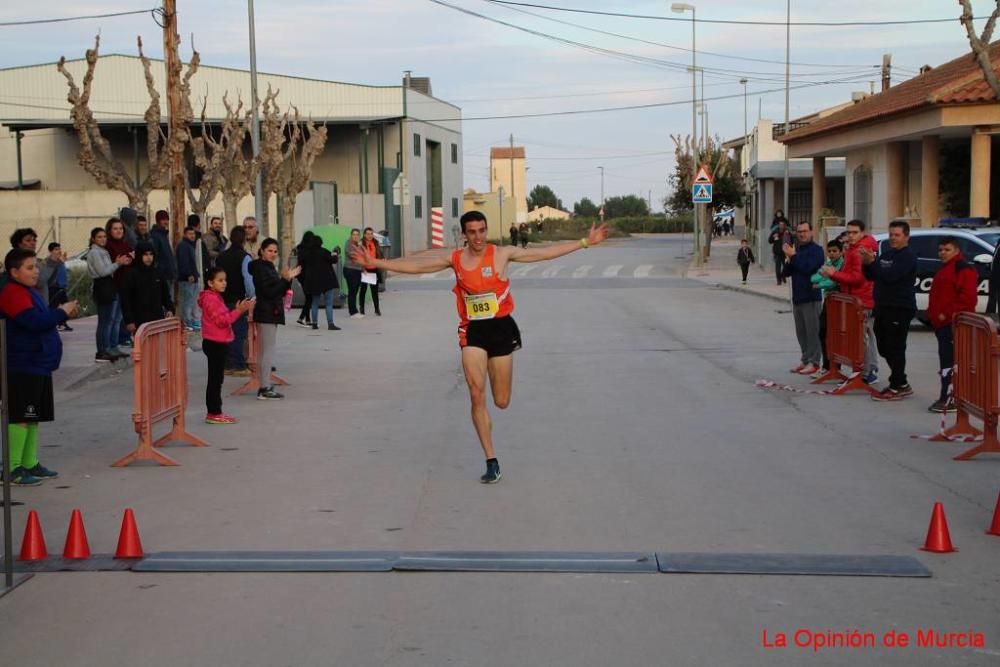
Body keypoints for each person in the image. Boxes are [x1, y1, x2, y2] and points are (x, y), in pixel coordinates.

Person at [352, 210, 609, 484]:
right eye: (472, 231)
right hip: (472, 330)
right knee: (476, 395)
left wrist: (584, 242)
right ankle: (491, 460)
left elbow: (544, 254)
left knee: (501, 401)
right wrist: (376, 261)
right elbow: (418, 267)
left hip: (500, 329)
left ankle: (488, 419)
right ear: (464, 234)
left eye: (482, 230)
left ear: (486, 230)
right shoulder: (455, 259)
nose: (478, 237)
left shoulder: (501, 254)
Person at [0, 248, 79, 485]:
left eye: (36, 266)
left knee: (33, 415)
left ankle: (29, 462)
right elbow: (33, 322)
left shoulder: (28, 291)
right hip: (22, 364)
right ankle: (12, 467)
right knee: (21, 416)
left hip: (38, 363)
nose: (36, 272)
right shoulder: (12, 293)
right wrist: (60, 312)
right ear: (14, 271)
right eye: (30, 268)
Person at [861, 220, 918, 401]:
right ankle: (901, 381)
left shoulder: (907, 256)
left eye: (897, 235)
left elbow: (891, 276)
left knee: (896, 346)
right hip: (883, 307)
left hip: (900, 307)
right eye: (891, 234)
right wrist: (867, 263)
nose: (893, 238)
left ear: (906, 237)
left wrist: (873, 263)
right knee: (884, 346)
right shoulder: (887, 254)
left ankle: (897, 385)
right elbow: (873, 275)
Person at [820, 219, 879, 384]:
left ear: (862, 233)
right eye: (849, 232)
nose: (851, 236)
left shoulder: (861, 250)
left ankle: (866, 372)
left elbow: (857, 278)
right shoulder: (853, 249)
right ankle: (866, 370)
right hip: (854, 299)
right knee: (863, 336)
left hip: (861, 300)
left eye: (855, 232)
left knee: (861, 339)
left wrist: (834, 274)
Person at [926, 237, 979, 413]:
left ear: (956, 251)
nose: (942, 253)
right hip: (942, 325)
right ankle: (947, 396)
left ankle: (951, 398)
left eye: (947, 250)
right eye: (940, 250)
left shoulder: (963, 269)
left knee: (952, 362)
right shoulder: (945, 268)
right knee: (946, 362)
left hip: (954, 324)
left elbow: (967, 299)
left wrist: (945, 314)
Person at [199, 267, 255, 424]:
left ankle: (215, 411)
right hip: (214, 342)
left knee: (217, 378)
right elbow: (223, 321)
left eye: (225, 280)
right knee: (215, 380)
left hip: (218, 341)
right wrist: (239, 310)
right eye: (220, 280)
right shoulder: (211, 299)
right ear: (210, 282)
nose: (224, 283)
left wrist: (237, 310)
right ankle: (213, 412)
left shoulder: (215, 297)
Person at [248, 238, 301, 400]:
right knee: (267, 351)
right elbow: (270, 292)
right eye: (269, 250)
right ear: (262, 251)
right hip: (266, 312)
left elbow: (278, 290)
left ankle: (265, 385)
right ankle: (264, 387)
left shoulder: (267, 267)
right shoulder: (260, 268)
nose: (272, 254)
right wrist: (285, 279)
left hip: (271, 311)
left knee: (266, 350)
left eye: (275, 251)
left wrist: (287, 279)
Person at [782, 221, 825, 376]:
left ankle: (814, 362)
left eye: (805, 231)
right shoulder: (797, 250)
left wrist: (793, 257)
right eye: (799, 231)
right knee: (801, 332)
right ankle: (805, 358)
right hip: (798, 297)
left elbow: (808, 268)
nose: (802, 234)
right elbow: (786, 273)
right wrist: (788, 258)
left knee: (813, 331)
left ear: (811, 232)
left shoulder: (817, 251)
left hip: (811, 297)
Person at [86, 226, 131, 362]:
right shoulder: (94, 253)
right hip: (102, 286)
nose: (103, 239)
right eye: (99, 237)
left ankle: (112, 346)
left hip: (109, 285)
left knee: (113, 319)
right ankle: (102, 350)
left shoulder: (102, 251)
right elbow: (103, 271)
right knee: (105, 321)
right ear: (93, 239)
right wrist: (117, 263)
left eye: (104, 237)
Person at [216, 226, 255, 377]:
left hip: (222, 299)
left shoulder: (221, 257)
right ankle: (238, 365)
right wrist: (252, 298)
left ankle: (226, 364)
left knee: (225, 332)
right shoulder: (244, 257)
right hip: (238, 300)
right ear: (244, 239)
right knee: (238, 333)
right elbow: (248, 280)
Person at [120, 240, 174, 334]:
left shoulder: (158, 273)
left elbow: (165, 295)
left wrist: (170, 308)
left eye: (151, 254)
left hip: (157, 319)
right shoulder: (131, 275)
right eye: (145, 254)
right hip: (139, 321)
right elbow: (126, 300)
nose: (148, 258)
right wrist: (129, 320)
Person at [810, 239, 844, 377]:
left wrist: (822, 283)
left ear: (841, 252)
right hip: (828, 302)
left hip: (839, 303)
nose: (831, 254)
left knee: (836, 335)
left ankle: (836, 366)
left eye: (835, 251)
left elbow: (833, 282)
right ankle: (827, 366)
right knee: (823, 332)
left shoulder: (843, 265)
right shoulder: (829, 264)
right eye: (829, 251)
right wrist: (827, 279)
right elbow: (814, 278)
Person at [300, 233, 341, 330]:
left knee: (315, 303)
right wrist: (335, 253)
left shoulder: (307, 254)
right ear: (320, 242)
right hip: (326, 281)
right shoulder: (324, 252)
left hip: (313, 282)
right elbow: (333, 260)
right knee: (329, 303)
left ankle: (314, 323)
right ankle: (330, 324)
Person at [106, 217, 135, 348]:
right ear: (110, 231)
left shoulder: (125, 244)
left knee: (118, 318)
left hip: (125, 286)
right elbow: (114, 263)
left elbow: (131, 259)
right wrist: (121, 262)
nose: (118, 231)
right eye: (115, 229)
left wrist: (130, 259)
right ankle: (108, 346)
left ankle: (115, 344)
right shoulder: (108, 246)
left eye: (120, 228)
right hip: (113, 286)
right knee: (110, 319)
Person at [176, 226, 202, 331]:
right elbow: (183, 262)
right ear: (185, 234)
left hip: (192, 277)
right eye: (190, 234)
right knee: (187, 301)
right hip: (187, 279)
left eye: (193, 234)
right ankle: (187, 322)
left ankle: (191, 321)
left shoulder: (189, 245)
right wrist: (188, 274)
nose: (192, 236)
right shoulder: (183, 246)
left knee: (191, 301)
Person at [46, 243, 72, 331]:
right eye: (56, 249)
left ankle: (62, 323)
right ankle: (54, 323)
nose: (59, 251)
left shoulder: (60, 260)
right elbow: (50, 274)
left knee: (65, 305)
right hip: (54, 287)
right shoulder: (49, 261)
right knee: (53, 306)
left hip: (62, 287)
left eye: (59, 249)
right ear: (51, 251)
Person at [359, 227, 383, 317]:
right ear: (364, 235)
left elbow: (379, 253)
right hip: (365, 269)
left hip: (374, 269)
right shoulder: (361, 244)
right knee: (363, 290)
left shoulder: (375, 243)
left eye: (371, 234)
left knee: (374, 291)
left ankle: (377, 309)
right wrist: (362, 268)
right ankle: (362, 309)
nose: (370, 236)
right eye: (368, 234)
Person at [150, 210, 177, 284]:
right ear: (158, 221)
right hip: (162, 276)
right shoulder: (155, 236)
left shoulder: (164, 235)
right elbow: (154, 255)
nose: (166, 222)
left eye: (167, 219)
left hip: (168, 275)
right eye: (163, 220)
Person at [343, 228, 364, 318]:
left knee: (355, 290)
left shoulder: (359, 244)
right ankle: (353, 312)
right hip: (350, 270)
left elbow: (363, 257)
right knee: (352, 290)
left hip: (358, 270)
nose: (355, 236)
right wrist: (360, 247)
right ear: (351, 235)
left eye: (357, 235)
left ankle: (355, 310)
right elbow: (353, 255)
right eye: (354, 234)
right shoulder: (349, 244)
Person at [294, 232, 315, 327]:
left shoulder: (300, 249)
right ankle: (302, 317)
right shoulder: (309, 250)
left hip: (301, 276)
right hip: (308, 276)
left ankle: (307, 319)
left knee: (308, 297)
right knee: (310, 298)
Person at [768, 221, 791, 285]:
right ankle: (779, 280)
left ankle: (783, 276)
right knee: (777, 268)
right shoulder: (775, 232)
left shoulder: (787, 232)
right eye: (780, 225)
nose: (781, 226)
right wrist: (773, 237)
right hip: (777, 252)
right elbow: (769, 241)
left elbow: (791, 240)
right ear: (779, 225)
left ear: (784, 226)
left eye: (783, 225)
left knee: (785, 267)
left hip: (785, 252)